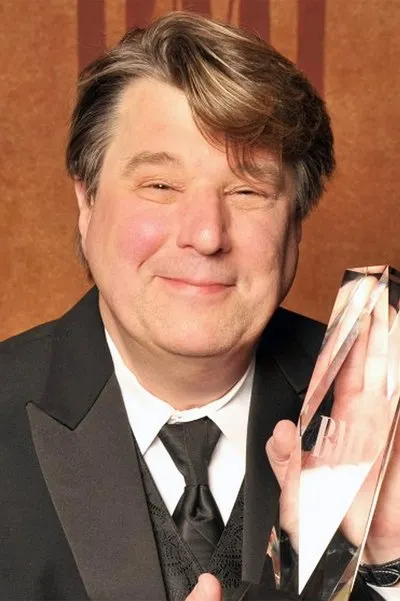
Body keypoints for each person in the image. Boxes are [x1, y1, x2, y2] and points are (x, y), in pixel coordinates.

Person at [0, 11, 398, 601]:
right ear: (87, 203)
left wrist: (392, 563)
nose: (207, 235)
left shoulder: (383, 414)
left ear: (296, 224)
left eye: (248, 190)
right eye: (160, 186)